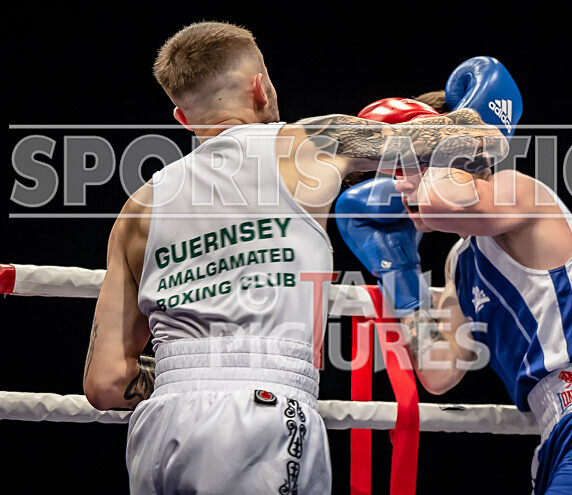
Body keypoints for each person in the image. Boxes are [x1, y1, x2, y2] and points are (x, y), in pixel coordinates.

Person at [81, 22, 505, 494]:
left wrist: (194, 377)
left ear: (183, 117)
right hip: (260, 413)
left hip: (159, 427)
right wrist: (482, 102)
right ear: (260, 87)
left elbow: (105, 382)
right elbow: (479, 138)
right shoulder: (310, 142)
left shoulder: (137, 208)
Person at [336, 57, 572, 494]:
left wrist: (452, 139)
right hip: (556, 441)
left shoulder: (521, 192)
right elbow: (440, 372)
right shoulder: (461, 261)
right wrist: (402, 278)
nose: (396, 185)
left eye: (406, 167)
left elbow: (440, 201)